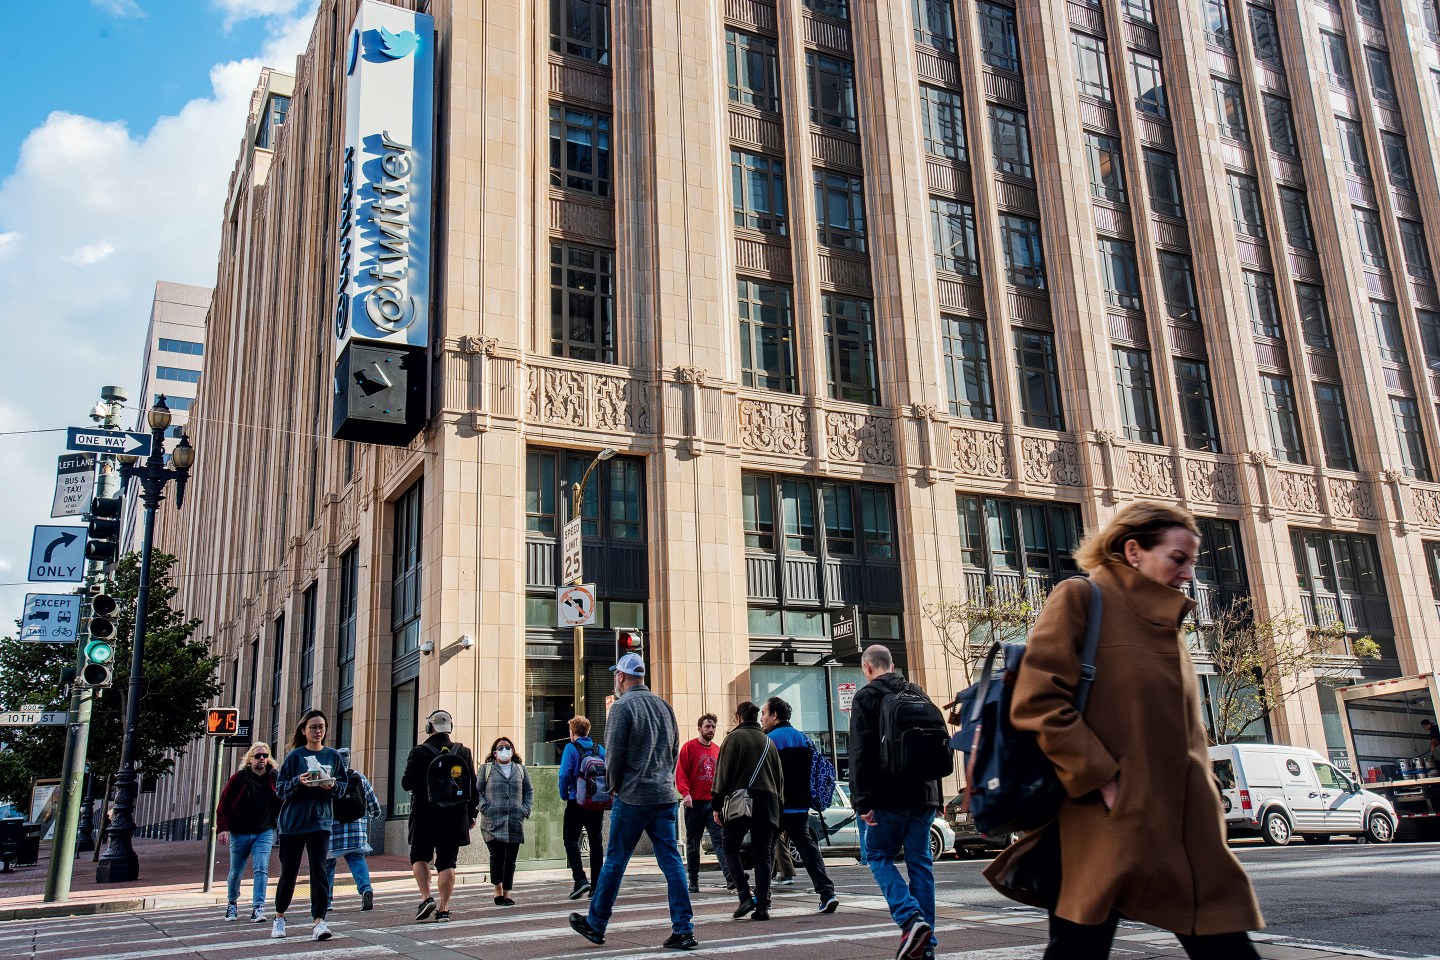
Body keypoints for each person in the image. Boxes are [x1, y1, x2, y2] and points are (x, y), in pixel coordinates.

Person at [986, 501, 1264, 959]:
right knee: (1080, 944)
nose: (1189, 573)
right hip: (1109, 821)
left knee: (1222, 937)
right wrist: (1102, 777)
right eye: (1178, 558)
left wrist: (1207, 787)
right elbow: (1037, 699)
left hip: (1179, 826)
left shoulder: (1169, 623)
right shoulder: (1083, 598)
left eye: (1193, 560)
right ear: (1133, 550)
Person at [568, 652, 698, 951]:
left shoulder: (622, 707)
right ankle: (684, 928)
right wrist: (664, 779)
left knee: (615, 861)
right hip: (664, 795)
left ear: (621, 677)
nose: (616, 679)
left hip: (633, 796)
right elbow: (674, 749)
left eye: (617, 674)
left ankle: (597, 924)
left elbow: (613, 754)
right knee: (672, 862)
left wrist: (613, 787)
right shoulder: (664, 706)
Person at [848, 647, 942, 960]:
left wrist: (861, 801)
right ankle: (925, 946)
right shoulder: (918, 693)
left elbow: (860, 753)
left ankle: (910, 919)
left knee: (876, 855)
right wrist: (936, 797)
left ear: (867, 667)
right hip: (924, 796)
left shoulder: (866, 697)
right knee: (920, 866)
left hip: (887, 798)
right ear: (892, 665)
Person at [271, 709, 349, 942]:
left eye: (321, 727)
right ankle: (279, 917)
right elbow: (281, 788)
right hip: (293, 824)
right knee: (289, 873)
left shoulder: (333, 756)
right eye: (313, 727)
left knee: (320, 871)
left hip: (320, 822)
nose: (318, 731)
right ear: (303, 730)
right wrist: (299, 781)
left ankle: (319, 921)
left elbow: (343, 788)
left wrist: (331, 786)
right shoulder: (294, 757)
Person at [402, 709, 479, 924]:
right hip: (455, 815)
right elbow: (472, 786)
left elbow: (406, 783)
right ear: (450, 728)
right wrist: (471, 814)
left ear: (429, 728)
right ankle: (444, 909)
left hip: (425, 814)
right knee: (447, 862)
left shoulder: (418, 752)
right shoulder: (463, 752)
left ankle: (426, 898)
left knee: (418, 856)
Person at [762, 696, 838, 913]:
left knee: (766, 849)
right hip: (800, 804)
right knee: (807, 847)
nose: (763, 718)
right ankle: (827, 892)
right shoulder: (804, 739)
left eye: (765, 714)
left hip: (776, 805)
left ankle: (763, 899)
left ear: (775, 715)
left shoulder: (770, 740)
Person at [712, 701, 784, 922]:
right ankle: (762, 905)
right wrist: (779, 807)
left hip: (741, 800)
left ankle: (744, 895)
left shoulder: (733, 739)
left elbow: (722, 774)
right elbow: (779, 778)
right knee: (763, 854)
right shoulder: (768, 741)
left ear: (738, 717)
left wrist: (716, 805)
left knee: (730, 846)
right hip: (769, 801)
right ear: (756, 717)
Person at [216, 742, 281, 923]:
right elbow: (223, 804)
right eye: (258, 755)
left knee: (261, 868)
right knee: (236, 871)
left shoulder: (273, 777)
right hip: (240, 832)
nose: (262, 759)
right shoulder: (239, 778)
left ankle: (258, 907)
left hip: (264, 831)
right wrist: (222, 829)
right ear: (250, 758)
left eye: (265, 755)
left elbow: (283, 800)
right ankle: (231, 904)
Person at [675, 712, 731, 893]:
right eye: (707, 726)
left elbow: (722, 776)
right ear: (700, 728)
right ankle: (693, 880)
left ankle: (730, 878)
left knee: (720, 841)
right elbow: (681, 772)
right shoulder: (689, 747)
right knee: (693, 844)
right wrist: (685, 793)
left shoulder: (717, 749)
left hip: (713, 804)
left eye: (713, 726)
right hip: (694, 804)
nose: (711, 730)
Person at [477, 735, 533, 907]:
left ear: (513, 750)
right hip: (492, 821)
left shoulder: (520, 769)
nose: (504, 750)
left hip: (514, 820)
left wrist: (525, 809)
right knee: (497, 855)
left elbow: (529, 791)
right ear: (494, 752)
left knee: (511, 859)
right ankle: (498, 890)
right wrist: (485, 807)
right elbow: (477, 791)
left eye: (507, 747)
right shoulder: (486, 769)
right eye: (500, 747)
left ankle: (507, 893)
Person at [324, 748, 382, 913]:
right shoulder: (359, 777)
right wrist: (375, 813)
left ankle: (326, 900)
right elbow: (372, 800)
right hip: (356, 829)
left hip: (333, 828)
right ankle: (365, 889)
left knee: (327, 863)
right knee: (357, 859)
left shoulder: (328, 780)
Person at [558, 715, 605, 899]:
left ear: (572, 732)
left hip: (576, 801)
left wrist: (564, 794)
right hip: (596, 802)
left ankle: (580, 879)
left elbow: (564, 774)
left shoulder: (571, 748)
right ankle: (597, 886)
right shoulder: (599, 748)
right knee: (596, 843)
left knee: (570, 839)